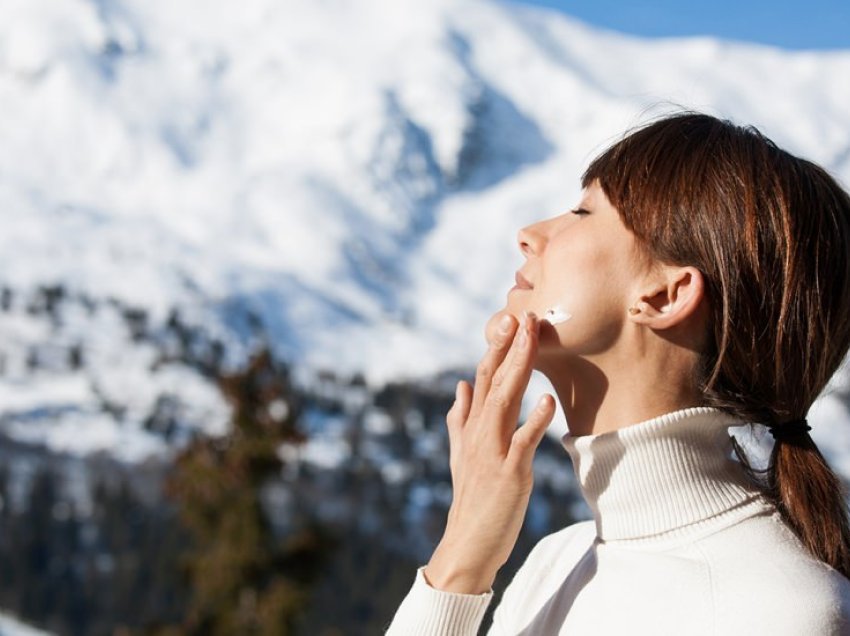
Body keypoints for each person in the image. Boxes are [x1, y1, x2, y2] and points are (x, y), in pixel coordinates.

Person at [385, 112, 850, 635]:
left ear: (666, 294)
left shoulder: (778, 614)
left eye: (583, 212)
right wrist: (460, 557)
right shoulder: (554, 564)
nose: (529, 235)